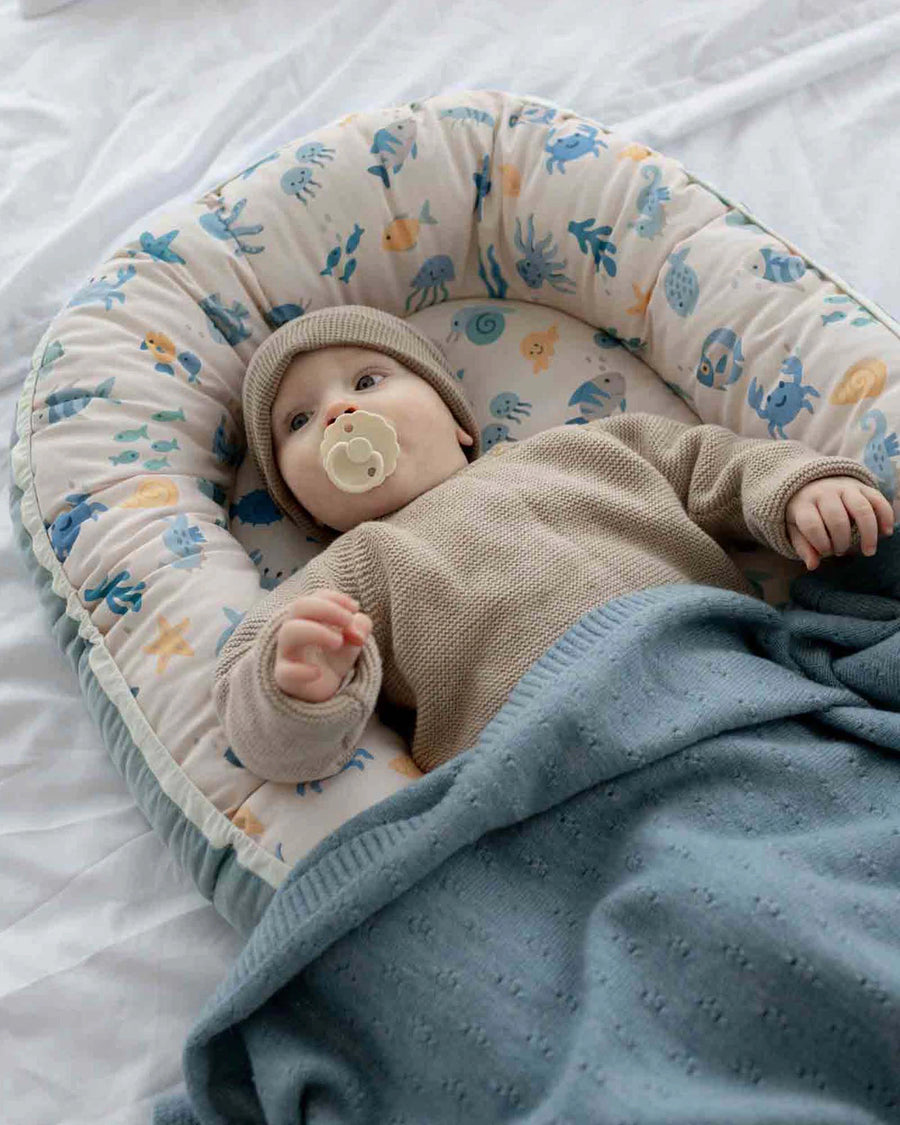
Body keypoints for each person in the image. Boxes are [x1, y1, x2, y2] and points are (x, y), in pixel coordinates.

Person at [214, 305, 894, 784]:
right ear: (300, 503)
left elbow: (710, 461)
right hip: (553, 760)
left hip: (722, 675)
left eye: (366, 381)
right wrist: (296, 682)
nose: (340, 412)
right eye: (298, 420)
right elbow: (259, 725)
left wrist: (800, 487)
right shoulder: (349, 570)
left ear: (457, 423)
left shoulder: (579, 447)